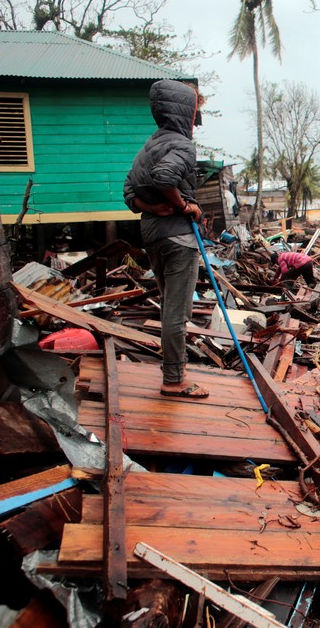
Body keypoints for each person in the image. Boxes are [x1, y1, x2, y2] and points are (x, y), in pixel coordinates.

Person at [123, 79, 208, 399]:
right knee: (177, 313)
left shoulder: (147, 147)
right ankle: (174, 380)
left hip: (152, 236)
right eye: (194, 113)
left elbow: (128, 193)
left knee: (168, 308)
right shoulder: (183, 146)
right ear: (183, 113)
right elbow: (165, 178)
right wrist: (185, 206)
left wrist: (151, 207)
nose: (195, 121)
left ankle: (175, 371)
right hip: (179, 238)